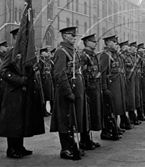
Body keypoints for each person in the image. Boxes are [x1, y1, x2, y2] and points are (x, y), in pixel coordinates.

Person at [0, 28, 45, 158]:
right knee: (13, 122)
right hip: (13, 92)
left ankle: (19, 146)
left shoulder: (27, 52)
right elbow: (2, 70)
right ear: (15, 38)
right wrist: (18, 80)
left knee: (21, 120)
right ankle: (12, 149)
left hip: (24, 92)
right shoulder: (12, 52)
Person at [50, 27, 87, 160]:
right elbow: (59, 74)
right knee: (65, 119)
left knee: (72, 118)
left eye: (75, 35)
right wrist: (67, 92)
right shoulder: (61, 52)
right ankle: (65, 149)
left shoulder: (73, 50)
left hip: (75, 89)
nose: (74, 37)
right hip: (66, 91)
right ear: (64, 36)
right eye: (72, 35)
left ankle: (73, 146)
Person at [99, 34, 125, 140]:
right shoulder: (105, 56)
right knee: (109, 109)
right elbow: (102, 73)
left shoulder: (114, 54)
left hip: (116, 85)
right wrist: (104, 88)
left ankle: (115, 127)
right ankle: (106, 131)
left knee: (115, 108)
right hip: (110, 86)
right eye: (114, 43)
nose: (116, 44)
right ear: (108, 43)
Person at [79, 33, 102, 150]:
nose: (96, 43)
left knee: (92, 115)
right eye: (93, 41)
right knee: (86, 114)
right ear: (87, 43)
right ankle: (84, 140)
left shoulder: (93, 56)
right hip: (87, 89)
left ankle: (88, 139)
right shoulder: (84, 56)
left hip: (94, 88)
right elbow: (81, 73)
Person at [39, 47, 54, 117]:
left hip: (49, 80)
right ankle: (43, 110)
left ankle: (50, 110)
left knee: (50, 96)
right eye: (45, 51)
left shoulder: (48, 61)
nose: (46, 53)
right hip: (43, 81)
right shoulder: (40, 62)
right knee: (44, 97)